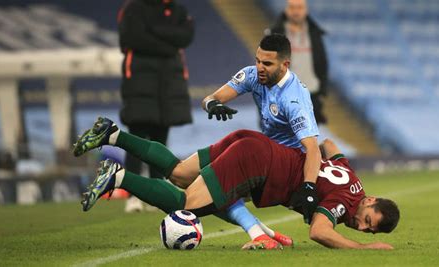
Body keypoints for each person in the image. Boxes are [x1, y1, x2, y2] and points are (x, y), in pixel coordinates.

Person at [73, 118, 400, 250]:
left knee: (177, 172)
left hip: (253, 143)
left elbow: (329, 145)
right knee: (184, 204)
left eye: (368, 231)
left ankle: (112, 134)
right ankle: (117, 177)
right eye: (368, 221)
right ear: (370, 202)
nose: (361, 226)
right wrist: (363, 248)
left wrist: (310, 174)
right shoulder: (345, 202)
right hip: (255, 165)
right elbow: (318, 231)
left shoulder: (353, 181)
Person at [202, 34, 322, 247]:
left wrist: (309, 187)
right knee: (189, 180)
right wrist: (212, 105)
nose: (259, 67)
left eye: (267, 63)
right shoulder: (252, 76)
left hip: (286, 165)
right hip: (265, 153)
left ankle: (260, 235)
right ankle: (267, 234)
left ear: (285, 65)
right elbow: (211, 98)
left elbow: (312, 148)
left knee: (203, 191)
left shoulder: (294, 98)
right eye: (258, 60)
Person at [117, 0, 194, 212]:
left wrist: (153, 30)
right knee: (136, 139)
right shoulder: (134, 8)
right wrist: (169, 44)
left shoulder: (178, 9)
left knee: (161, 138)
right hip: (141, 82)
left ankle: (156, 192)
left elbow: (186, 36)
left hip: (168, 83)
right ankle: (132, 195)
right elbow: (134, 38)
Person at [265, 0, 328, 124]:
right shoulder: (275, 34)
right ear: (286, 10)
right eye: (292, 7)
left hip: (311, 94)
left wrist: (322, 92)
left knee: (309, 139)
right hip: (285, 94)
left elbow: (322, 63)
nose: (296, 11)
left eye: (299, 7)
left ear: (306, 10)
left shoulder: (315, 33)